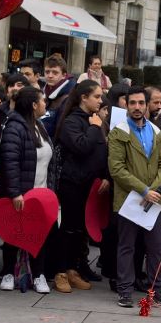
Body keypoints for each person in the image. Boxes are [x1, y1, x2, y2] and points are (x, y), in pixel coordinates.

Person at [108, 88, 161, 308]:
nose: (137, 107)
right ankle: (125, 291)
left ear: (146, 105)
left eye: (141, 103)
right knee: (127, 246)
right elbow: (116, 169)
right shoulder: (118, 132)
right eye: (132, 103)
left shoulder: (156, 131)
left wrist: (154, 190)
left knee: (155, 248)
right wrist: (144, 190)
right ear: (126, 105)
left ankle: (155, 288)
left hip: (155, 200)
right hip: (129, 200)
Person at [0, 87, 59, 293]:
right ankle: (8, 272)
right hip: (21, 192)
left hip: (41, 193)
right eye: (42, 101)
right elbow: (9, 161)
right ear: (33, 105)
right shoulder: (14, 127)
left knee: (39, 235)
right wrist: (15, 192)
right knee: (14, 233)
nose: (45, 104)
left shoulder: (39, 126)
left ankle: (38, 274)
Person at [54, 80, 108, 294]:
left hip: (90, 184)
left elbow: (102, 151)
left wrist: (105, 176)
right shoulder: (72, 121)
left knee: (80, 230)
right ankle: (60, 271)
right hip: (73, 183)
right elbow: (82, 147)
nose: (100, 100)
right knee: (68, 228)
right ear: (83, 97)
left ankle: (73, 269)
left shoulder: (94, 119)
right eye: (96, 96)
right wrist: (95, 127)